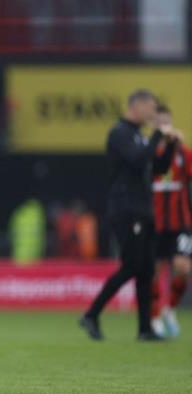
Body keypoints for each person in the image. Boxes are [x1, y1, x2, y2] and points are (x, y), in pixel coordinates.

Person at [79, 89, 177, 341]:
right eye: (150, 108)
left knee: (145, 269)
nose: (153, 113)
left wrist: (170, 144)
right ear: (137, 106)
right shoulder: (120, 133)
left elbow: (158, 168)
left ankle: (145, 329)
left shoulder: (139, 136)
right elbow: (138, 160)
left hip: (144, 209)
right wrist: (158, 133)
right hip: (126, 209)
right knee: (132, 265)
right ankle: (91, 314)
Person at [150, 104, 192, 337]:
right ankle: (155, 316)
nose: (164, 127)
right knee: (154, 272)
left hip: (181, 222)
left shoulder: (183, 154)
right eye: (159, 123)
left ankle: (170, 309)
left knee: (183, 269)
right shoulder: (148, 154)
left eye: (166, 122)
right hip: (155, 223)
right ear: (153, 126)